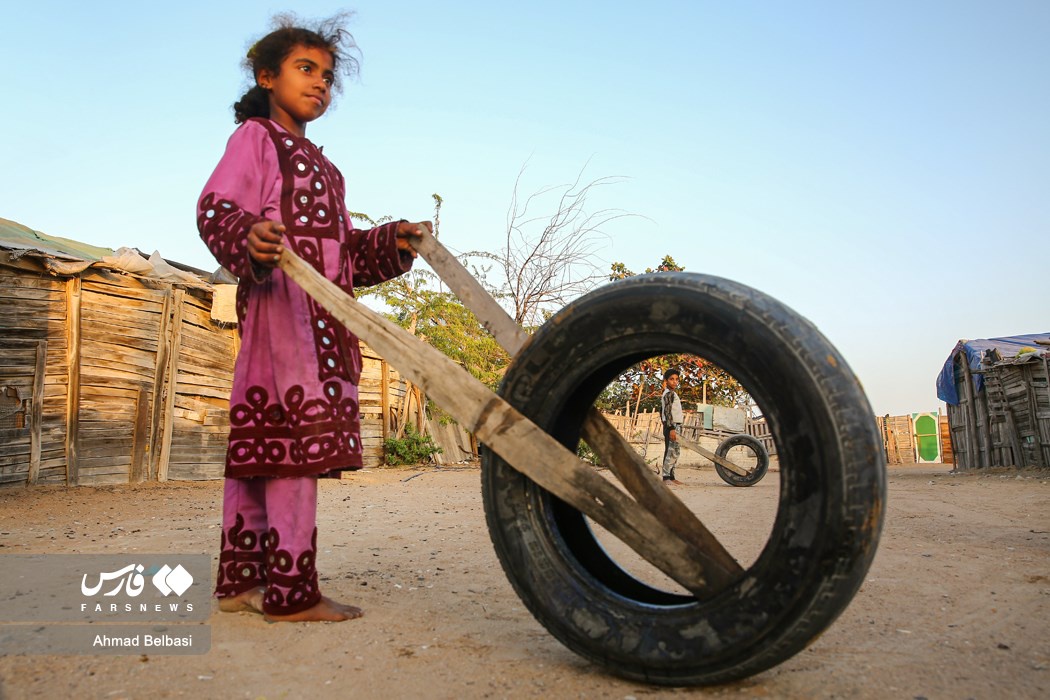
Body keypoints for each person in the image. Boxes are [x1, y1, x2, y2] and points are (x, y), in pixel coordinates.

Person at [197, 14, 430, 622]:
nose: (320, 84)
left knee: (263, 452)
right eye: (306, 69)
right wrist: (250, 237)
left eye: (328, 76)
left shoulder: (326, 169)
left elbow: (344, 257)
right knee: (292, 449)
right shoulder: (256, 138)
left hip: (322, 326)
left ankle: (241, 585)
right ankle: (293, 596)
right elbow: (216, 206)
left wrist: (392, 242)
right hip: (281, 325)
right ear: (267, 76)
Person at [660, 368, 684, 485]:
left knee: (675, 452)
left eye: (676, 379)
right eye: (671, 379)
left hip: (675, 425)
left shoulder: (672, 394)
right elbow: (667, 412)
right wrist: (670, 428)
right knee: (670, 451)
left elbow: (662, 411)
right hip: (671, 426)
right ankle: (666, 477)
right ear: (666, 381)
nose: (674, 382)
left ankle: (672, 476)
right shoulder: (668, 394)